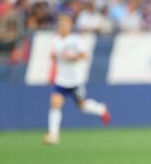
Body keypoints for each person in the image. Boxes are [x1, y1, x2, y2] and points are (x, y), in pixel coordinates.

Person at [43, 14, 111, 145]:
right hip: (61, 79)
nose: (62, 27)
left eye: (65, 25)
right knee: (55, 103)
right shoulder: (56, 40)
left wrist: (72, 57)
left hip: (75, 80)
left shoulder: (76, 40)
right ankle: (53, 135)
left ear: (70, 26)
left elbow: (85, 55)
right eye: (60, 25)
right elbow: (54, 56)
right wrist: (53, 56)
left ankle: (101, 109)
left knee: (82, 106)